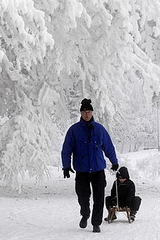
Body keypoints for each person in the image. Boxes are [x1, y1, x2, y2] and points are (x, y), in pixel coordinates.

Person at [61, 98, 119, 233]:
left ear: (92, 113)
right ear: (81, 113)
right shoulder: (74, 130)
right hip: (82, 170)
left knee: (99, 197)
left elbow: (108, 146)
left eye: (89, 112)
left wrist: (114, 161)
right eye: (84, 112)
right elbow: (66, 149)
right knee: (82, 196)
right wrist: (66, 166)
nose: (87, 114)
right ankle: (85, 214)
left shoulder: (99, 129)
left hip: (98, 170)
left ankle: (96, 223)